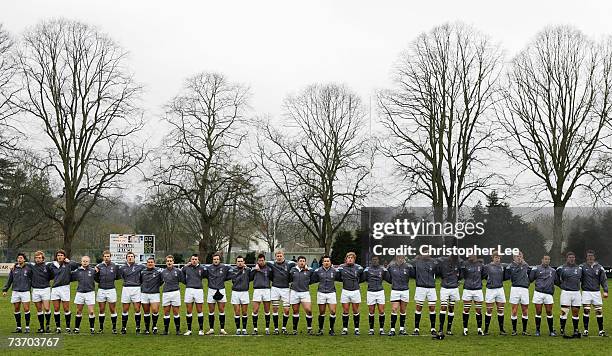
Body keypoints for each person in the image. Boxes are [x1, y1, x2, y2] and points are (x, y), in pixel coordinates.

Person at [580, 249, 608, 337]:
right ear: (586, 257)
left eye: (591, 256)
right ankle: (585, 330)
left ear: (594, 257)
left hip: (596, 292)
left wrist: (605, 290)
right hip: (586, 292)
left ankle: (601, 331)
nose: (590, 257)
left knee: (599, 311)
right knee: (586, 310)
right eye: (589, 256)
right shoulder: (582, 267)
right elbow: (577, 277)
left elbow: (603, 280)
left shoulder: (600, 267)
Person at [267, 250, 296, 334]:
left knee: (286, 310)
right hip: (275, 288)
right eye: (277, 256)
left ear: (283, 256)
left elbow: (298, 264)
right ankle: (276, 329)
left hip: (286, 289)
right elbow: (262, 262)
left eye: (281, 256)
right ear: (275, 257)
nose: (279, 257)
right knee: (275, 308)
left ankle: (284, 328)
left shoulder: (289, 263)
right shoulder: (272, 264)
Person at [50, 249, 79, 333]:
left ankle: (68, 327)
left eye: (61, 255)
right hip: (55, 288)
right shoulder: (52, 265)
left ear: (64, 257)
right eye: (58, 255)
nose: (60, 257)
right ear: (56, 257)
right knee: (56, 308)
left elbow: (77, 265)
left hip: (65, 288)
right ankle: (58, 327)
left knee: (66, 309)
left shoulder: (68, 264)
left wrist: (69, 261)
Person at [2, 253, 32, 333]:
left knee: (26, 309)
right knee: (16, 309)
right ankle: (19, 327)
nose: (19, 259)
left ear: (24, 259)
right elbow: (9, 280)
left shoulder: (29, 268)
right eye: (18, 258)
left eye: (21, 258)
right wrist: (5, 290)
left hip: (25, 291)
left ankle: (27, 327)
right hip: (15, 292)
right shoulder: (14, 269)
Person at [336, 251, 364, 335]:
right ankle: (345, 329)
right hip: (345, 291)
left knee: (355, 310)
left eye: (352, 258)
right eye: (348, 257)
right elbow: (337, 276)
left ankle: (356, 329)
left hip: (355, 291)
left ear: (354, 259)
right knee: (345, 310)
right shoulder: (341, 267)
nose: (350, 259)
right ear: (346, 259)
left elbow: (362, 277)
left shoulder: (359, 268)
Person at [203, 253, 231, 335]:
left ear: (220, 260)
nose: (216, 260)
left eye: (217, 259)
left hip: (221, 290)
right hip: (211, 290)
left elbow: (233, 270)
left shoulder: (225, 267)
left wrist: (224, 279)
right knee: (211, 311)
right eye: (214, 259)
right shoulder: (208, 268)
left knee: (221, 310)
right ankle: (211, 329)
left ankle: (222, 329)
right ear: (212, 260)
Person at [556, 251, 582, 338]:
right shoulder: (561, 268)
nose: (571, 259)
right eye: (570, 257)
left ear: (575, 259)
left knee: (575, 312)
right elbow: (555, 279)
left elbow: (583, 279)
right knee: (564, 311)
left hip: (576, 292)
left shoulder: (579, 268)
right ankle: (562, 329)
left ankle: (576, 330)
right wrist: (561, 285)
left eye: (573, 257)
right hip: (566, 292)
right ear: (567, 258)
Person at [505, 251, 531, 335]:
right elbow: (508, 276)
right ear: (514, 258)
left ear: (522, 257)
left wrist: (527, 282)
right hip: (515, 289)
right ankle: (514, 330)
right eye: (517, 256)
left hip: (524, 289)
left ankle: (524, 330)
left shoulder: (526, 265)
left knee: (525, 310)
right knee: (514, 310)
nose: (519, 257)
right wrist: (518, 265)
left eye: (520, 256)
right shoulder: (510, 266)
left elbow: (531, 275)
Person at [529, 254, 557, 336]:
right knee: (538, 311)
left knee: (549, 311)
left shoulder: (553, 271)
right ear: (542, 260)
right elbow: (531, 279)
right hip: (538, 293)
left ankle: (551, 331)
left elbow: (557, 281)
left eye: (548, 259)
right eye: (545, 259)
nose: (547, 261)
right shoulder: (536, 269)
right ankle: (537, 330)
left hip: (548, 294)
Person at [310, 255, 338, 336]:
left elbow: (340, 278)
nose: (326, 262)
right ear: (322, 262)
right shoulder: (318, 271)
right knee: (322, 312)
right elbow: (312, 279)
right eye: (325, 261)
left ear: (330, 262)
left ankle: (331, 329)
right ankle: (320, 329)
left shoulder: (334, 271)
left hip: (331, 292)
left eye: (328, 261)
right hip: (321, 293)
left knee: (333, 311)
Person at [387, 255, 414, 336]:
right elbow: (387, 277)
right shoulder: (391, 266)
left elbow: (413, 275)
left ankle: (402, 329)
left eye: (402, 258)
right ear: (396, 258)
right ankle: (392, 329)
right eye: (399, 258)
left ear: (404, 259)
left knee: (403, 310)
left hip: (405, 290)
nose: (401, 259)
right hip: (395, 290)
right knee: (394, 309)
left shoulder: (408, 267)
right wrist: (393, 283)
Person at [412, 253, 438, 336]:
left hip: (431, 288)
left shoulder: (434, 262)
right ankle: (416, 328)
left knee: (432, 308)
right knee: (418, 307)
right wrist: (415, 258)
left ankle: (433, 328)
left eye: (428, 252)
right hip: (420, 287)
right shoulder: (417, 262)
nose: (426, 254)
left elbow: (439, 272)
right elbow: (408, 263)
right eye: (424, 252)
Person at [119, 251, 145, 334]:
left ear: (134, 258)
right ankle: (124, 327)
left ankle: (138, 327)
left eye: (132, 256)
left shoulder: (140, 266)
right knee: (125, 309)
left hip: (136, 289)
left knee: (137, 309)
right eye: (129, 256)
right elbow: (121, 276)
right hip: (126, 289)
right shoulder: (122, 268)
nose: (130, 257)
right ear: (126, 258)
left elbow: (150, 268)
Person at [94, 250, 120, 334]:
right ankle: (101, 328)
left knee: (112, 309)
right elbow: (96, 278)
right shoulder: (99, 266)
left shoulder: (115, 266)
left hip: (111, 289)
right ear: (103, 257)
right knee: (101, 310)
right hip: (101, 289)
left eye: (108, 256)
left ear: (110, 257)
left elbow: (118, 276)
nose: (106, 258)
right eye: (105, 256)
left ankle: (114, 328)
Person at [70, 256, 97, 334]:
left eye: (86, 261)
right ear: (81, 262)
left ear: (89, 262)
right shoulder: (77, 271)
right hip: (80, 293)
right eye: (83, 261)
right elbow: (70, 277)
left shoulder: (93, 270)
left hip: (90, 293)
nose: (85, 262)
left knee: (91, 312)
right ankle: (76, 328)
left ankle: (92, 328)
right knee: (78, 311)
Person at [460, 254, 485, 336]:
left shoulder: (480, 265)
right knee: (466, 309)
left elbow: (483, 275)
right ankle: (465, 329)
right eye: (469, 255)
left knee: (478, 310)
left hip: (478, 290)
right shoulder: (465, 264)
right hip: (467, 289)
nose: (470, 256)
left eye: (472, 255)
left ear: (475, 256)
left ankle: (479, 329)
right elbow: (462, 275)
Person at [483, 251, 507, 335]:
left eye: (499, 257)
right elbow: (484, 276)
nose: (497, 259)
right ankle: (486, 330)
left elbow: (504, 277)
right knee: (489, 310)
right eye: (496, 257)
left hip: (500, 289)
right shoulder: (487, 266)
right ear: (492, 258)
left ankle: (501, 330)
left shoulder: (502, 266)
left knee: (500, 310)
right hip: (490, 290)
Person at [181, 254, 206, 335]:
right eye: (193, 259)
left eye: (195, 259)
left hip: (199, 290)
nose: (194, 260)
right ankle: (189, 330)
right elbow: (180, 274)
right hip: (189, 290)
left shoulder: (202, 268)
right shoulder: (186, 268)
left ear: (198, 260)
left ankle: (201, 329)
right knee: (189, 310)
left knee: (199, 310)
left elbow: (206, 276)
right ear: (190, 260)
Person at [436, 255, 461, 336]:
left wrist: (457, 281)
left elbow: (461, 274)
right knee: (443, 307)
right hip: (445, 288)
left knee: (451, 308)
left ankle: (449, 329)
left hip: (454, 288)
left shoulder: (458, 264)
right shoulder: (443, 263)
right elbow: (439, 273)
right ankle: (440, 328)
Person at [288, 256, 314, 335]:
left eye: (303, 261)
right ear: (297, 262)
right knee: (295, 311)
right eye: (300, 261)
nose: (302, 262)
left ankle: (309, 328)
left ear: (305, 262)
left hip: (305, 292)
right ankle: (295, 329)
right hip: (294, 292)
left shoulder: (308, 270)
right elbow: (289, 278)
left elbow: (314, 272)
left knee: (308, 310)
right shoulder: (293, 270)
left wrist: (308, 268)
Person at [364, 255, 389, 335]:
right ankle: (371, 329)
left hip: (380, 292)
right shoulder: (367, 269)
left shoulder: (382, 269)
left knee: (381, 311)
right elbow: (364, 278)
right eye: (373, 259)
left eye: (376, 259)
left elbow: (387, 278)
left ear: (378, 260)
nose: (375, 261)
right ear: (371, 261)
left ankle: (381, 329)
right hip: (370, 292)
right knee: (371, 311)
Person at [160, 255, 184, 335]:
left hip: (175, 293)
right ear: (166, 262)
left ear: (173, 262)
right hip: (166, 293)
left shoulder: (178, 271)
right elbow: (160, 282)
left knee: (176, 312)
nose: (169, 262)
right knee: (166, 312)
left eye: (170, 261)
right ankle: (166, 330)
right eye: (168, 261)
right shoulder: (163, 272)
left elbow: (182, 280)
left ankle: (178, 330)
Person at [30, 251, 53, 333]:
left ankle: (48, 325)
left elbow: (52, 275)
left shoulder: (47, 266)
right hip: (35, 290)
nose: (37, 259)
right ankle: (41, 327)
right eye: (36, 257)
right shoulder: (32, 266)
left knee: (47, 308)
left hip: (45, 289)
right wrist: (15, 265)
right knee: (39, 310)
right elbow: (22, 263)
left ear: (43, 258)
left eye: (39, 257)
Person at [250, 253, 273, 335]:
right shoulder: (254, 268)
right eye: (259, 260)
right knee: (255, 310)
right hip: (257, 290)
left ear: (264, 260)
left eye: (262, 260)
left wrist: (260, 270)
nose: (261, 262)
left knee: (267, 310)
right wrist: (254, 270)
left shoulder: (269, 268)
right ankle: (255, 329)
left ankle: (267, 328)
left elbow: (272, 277)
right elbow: (250, 278)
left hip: (266, 290)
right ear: (257, 261)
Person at [140, 257, 163, 334]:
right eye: (149, 262)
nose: (150, 263)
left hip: (154, 293)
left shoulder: (158, 271)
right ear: (146, 263)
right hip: (144, 294)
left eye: (151, 262)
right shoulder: (143, 272)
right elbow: (140, 281)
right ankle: (146, 329)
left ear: (154, 263)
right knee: (146, 312)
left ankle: (154, 326)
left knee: (155, 310)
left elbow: (161, 281)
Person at [230, 255, 251, 335]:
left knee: (244, 312)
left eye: (241, 261)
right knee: (237, 312)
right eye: (238, 261)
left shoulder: (248, 270)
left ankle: (244, 329)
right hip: (235, 292)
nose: (240, 263)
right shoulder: (233, 271)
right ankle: (238, 329)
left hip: (244, 292)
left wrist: (246, 269)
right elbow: (234, 279)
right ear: (236, 263)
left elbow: (251, 277)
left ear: (244, 262)